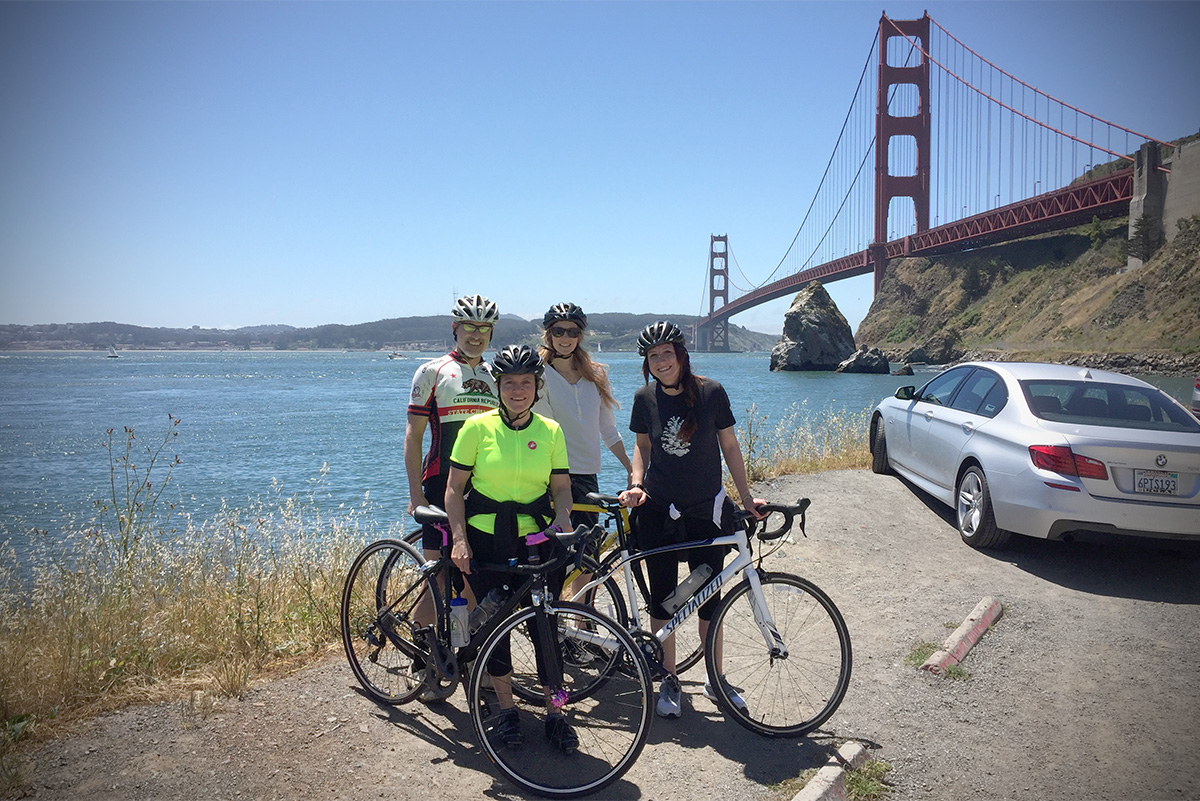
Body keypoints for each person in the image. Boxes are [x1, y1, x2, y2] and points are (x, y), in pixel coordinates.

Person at [617, 320, 765, 720]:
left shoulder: (711, 393)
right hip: (658, 511)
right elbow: (642, 446)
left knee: (707, 601)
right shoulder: (643, 397)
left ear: (681, 355)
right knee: (663, 600)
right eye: (653, 356)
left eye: (668, 353)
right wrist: (635, 482)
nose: (662, 361)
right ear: (647, 363)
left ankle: (716, 679)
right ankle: (670, 679)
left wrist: (747, 498)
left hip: (706, 511)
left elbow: (730, 445)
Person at [444, 345, 578, 753]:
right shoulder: (476, 429)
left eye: (525, 383)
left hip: (538, 540)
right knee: (494, 627)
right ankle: (506, 710)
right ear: (497, 387)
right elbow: (453, 489)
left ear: (537, 388)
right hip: (488, 538)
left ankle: (556, 712)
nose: (517, 390)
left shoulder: (550, 431)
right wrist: (460, 537)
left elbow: (560, 488)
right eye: (508, 383)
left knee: (545, 627)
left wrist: (564, 521)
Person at [404, 294, 499, 699]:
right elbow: (414, 437)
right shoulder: (432, 371)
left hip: (484, 490)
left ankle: (465, 660)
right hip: (440, 484)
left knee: (474, 579)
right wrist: (414, 495)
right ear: (455, 329)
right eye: (469, 327)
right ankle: (423, 656)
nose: (476, 335)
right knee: (441, 579)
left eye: (484, 329)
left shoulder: (499, 374)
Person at [533, 302, 633, 531]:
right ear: (549, 334)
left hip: (587, 474)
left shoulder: (595, 375)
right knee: (555, 553)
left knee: (586, 555)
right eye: (558, 331)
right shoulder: (538, 375)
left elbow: (607, 430)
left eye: (572, 332)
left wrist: (630, 468)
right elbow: (547, 431)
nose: (565, 337)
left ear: (580, 336)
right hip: (551, 476)